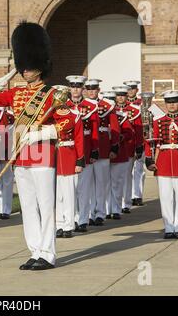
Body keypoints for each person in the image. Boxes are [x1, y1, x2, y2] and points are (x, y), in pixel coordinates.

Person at [0, 22, 59, 270]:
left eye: (29, 66)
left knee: (46, 207)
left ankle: (48, 254)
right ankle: (35, 250)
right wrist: (10, 73)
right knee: (27, 207)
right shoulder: (15, 94)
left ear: (41, 66)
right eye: (22, 67)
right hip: (21, 156)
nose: (26, 71)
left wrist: (40, 133)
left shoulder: (52, 94)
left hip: (42, 155)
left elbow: (66, 124)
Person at [145, 90, 178, 239]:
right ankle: (169, 227)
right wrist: (149, 159)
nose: (172, 105)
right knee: (166, 197)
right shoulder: (158, 121)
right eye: (169, 102)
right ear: (166, 104)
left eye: (175, 102)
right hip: (163, 162)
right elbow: (151, 142)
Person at [65, 75, 99, 232]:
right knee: (69, 188)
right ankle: (71, 218)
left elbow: (94, 131)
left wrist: (94, 150)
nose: (76, 89)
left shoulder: (91, 106)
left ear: (83, 89)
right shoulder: (64, 106)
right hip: (68, 150)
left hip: (85, 149)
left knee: (84, 188)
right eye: (73, 86)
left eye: (78, 87)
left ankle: (83, 219)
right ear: (70, 88)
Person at [87, 80, 120, 226]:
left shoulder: (106, 105)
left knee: (101, 182)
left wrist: (114, 147)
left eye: (93, 89)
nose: (91, 92)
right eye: (88, 89)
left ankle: (100, 212)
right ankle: (88, 213)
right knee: (87, 184)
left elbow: (114, 126)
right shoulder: (81, 106)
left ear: (98, 90)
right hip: (88, 147)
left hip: (103, 146)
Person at [53, 85, 84, 238]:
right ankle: (58, 223)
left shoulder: (74, 115)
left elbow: (79, 138)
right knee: (57, 194)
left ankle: (69, 225)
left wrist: (79, 161)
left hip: (69, 154)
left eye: (62, 96)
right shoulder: (49, 115)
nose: (60, 99)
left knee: (69, 192)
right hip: (53, 156)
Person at [109, 87, 135, 219]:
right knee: (104, 184)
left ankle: (116, 209)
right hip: (103, 154)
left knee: (117, 183)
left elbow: (129, 132)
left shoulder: (121, 116)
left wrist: (118, 137)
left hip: (119, 154)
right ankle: (106, 209)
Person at [124, 80, 145, 206]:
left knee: (139, 169)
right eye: (128, 89)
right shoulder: (121, 104)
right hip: (128, 140)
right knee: (126, 170)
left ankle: (137, 195)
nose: (130, 91)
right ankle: (128, 195)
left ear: (137, 90)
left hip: (140, 138)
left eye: (133, 89)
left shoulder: (143, 103)